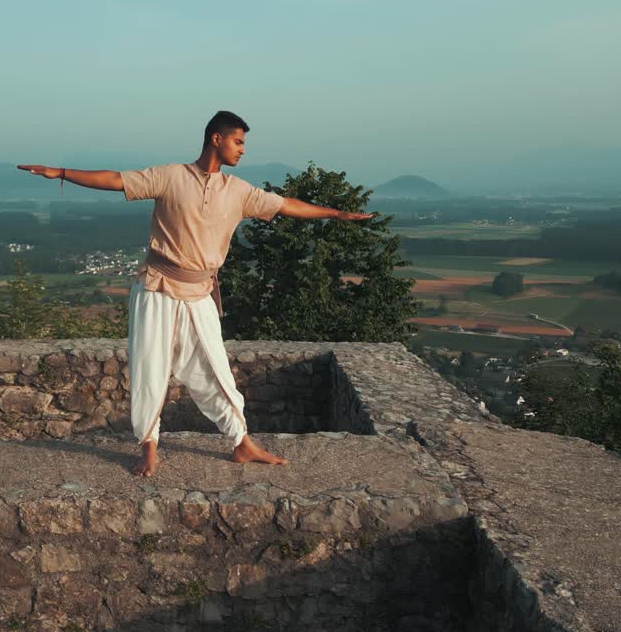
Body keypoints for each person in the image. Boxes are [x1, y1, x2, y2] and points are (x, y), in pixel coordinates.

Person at [18, 111, 373, 476]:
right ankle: (149, 448)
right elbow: (115, 179)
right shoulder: (170, 177)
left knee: (216, 368)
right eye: (238, 142)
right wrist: (60, 173)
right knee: (150, 367)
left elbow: (286, 205)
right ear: (216, 139)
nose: (242, 150)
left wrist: (335, 214)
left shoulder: (238, 191)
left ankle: (241, 442)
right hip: (157, 287)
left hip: (200, 292)